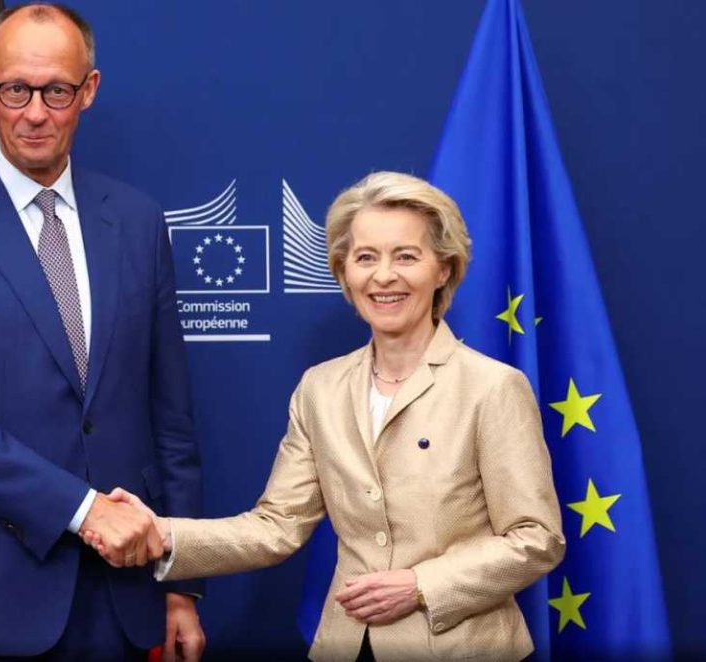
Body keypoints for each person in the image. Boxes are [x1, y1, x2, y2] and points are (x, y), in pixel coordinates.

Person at [87, 172, 565, 660]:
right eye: (365, 257)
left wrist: (421, 585)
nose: (383, 276)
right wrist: (164, 533)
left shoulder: (492, 387)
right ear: (344, 272)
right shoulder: (321, 389)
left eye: (406, 256)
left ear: (443, 269)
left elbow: (537, 538)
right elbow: (275, 527)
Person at [0, 3, 205, 660]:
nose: (34, 113)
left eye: (56, 91)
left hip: (119, 599)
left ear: (88, 90)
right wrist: (84, 509)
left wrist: (181, 585)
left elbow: (170, 418)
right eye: (15, 90)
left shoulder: (138, 221)